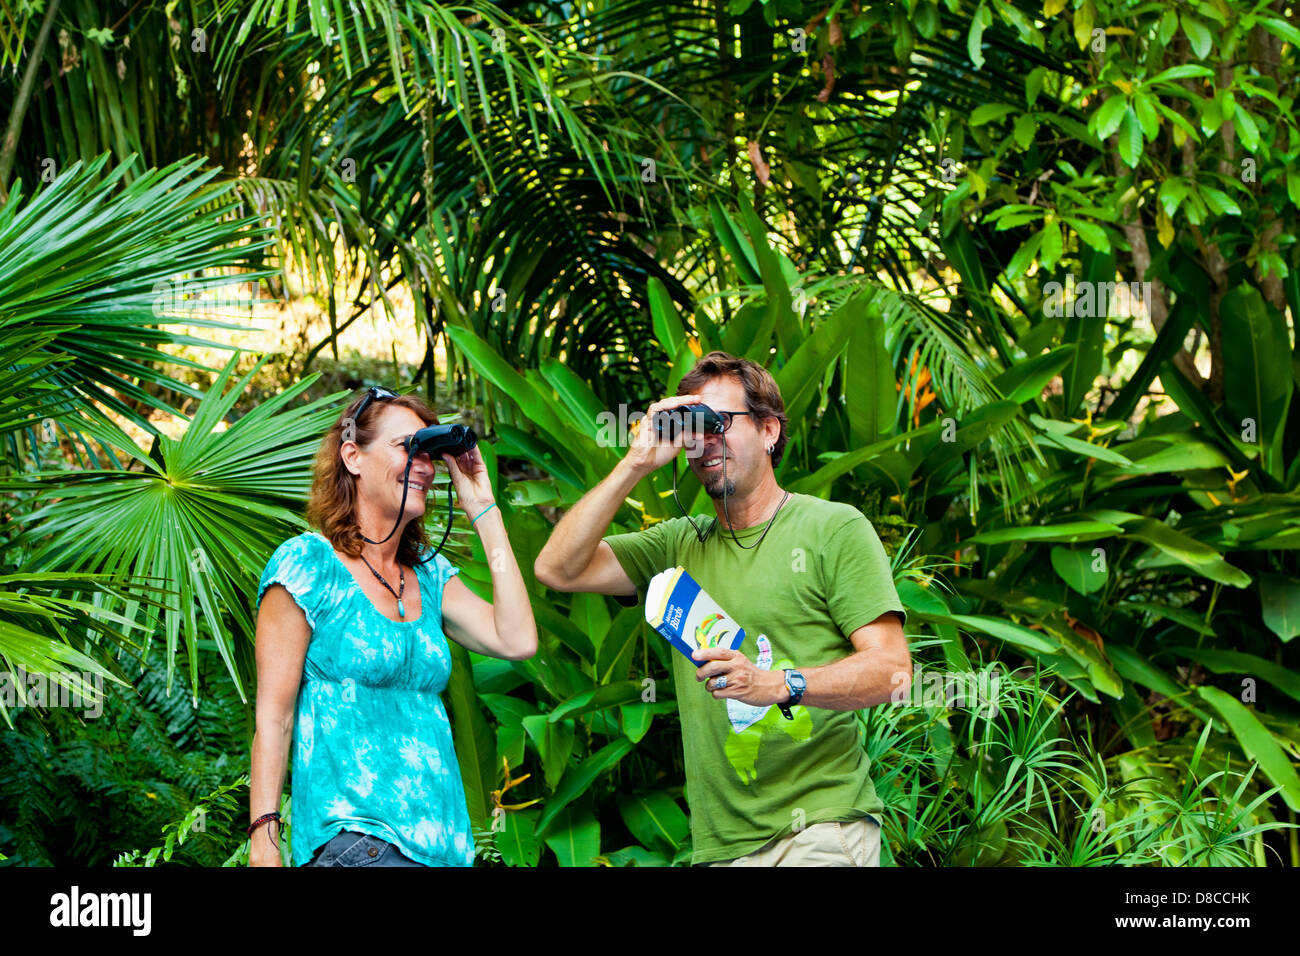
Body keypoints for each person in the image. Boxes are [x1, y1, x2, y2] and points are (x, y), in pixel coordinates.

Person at [534, 351, 910, 866]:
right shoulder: (676, 545)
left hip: (818, 831)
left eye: (719, 423)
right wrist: (635, 463)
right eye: (692, 427)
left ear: (769, 430)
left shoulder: (832, 529)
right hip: (720, 847)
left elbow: (893, 671)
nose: (704, 440)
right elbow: (558, 569)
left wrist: (777, 684)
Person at [248, 386, 537, 867]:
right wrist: (264, 844)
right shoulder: (308, 564)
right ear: (353, 457)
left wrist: (484, 510)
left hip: (444, 850)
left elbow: (518, 639)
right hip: (357, 842)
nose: (424, 465)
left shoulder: (429, 574)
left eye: (431, 452)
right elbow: (273, 718)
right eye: (408, 447)